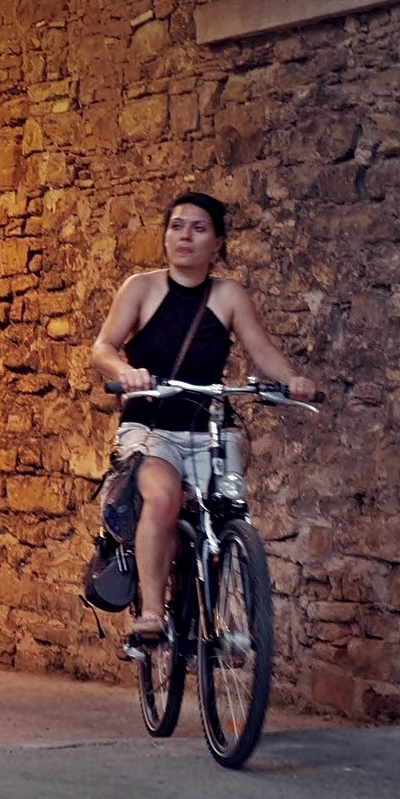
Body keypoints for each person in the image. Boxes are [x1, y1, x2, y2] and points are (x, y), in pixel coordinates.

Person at [91, 191, 317, 639]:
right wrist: (125, 372)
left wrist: (292, 379)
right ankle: (152, 612)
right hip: (152, 428)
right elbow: (103, 347)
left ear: (217, 243)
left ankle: (223, 604)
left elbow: (261, 350)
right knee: (162, 498)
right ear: (165, 236)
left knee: (228, 510)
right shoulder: (141, 288)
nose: (185, 236)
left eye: (198, 228)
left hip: (210, 428)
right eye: (176, 226)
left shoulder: (228, 295)